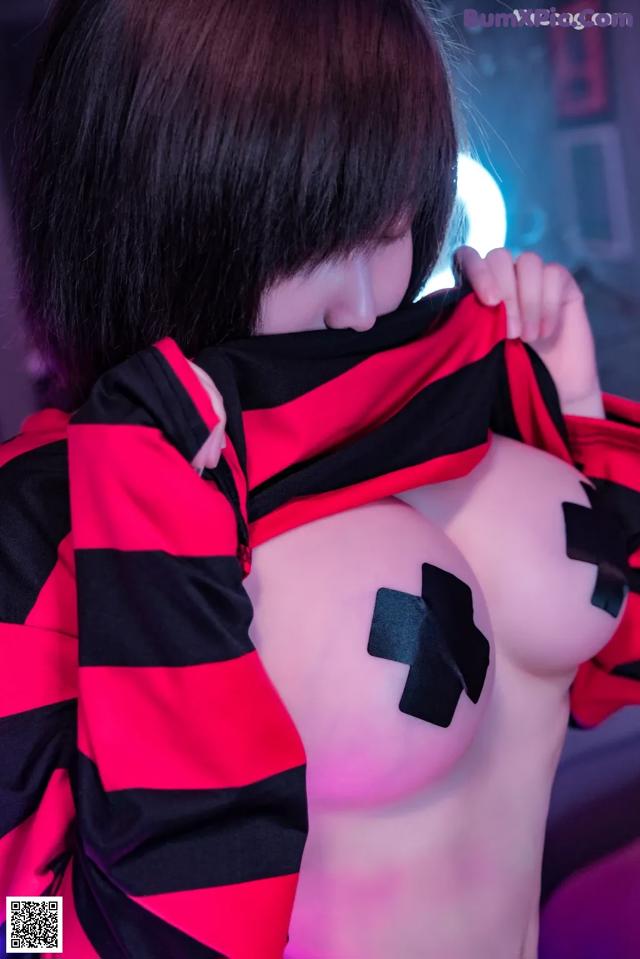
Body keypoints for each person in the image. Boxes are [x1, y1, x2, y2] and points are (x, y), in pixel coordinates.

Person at [1, 1, 639, 957]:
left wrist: (577, 412)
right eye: (305, 244)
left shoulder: (464, 387)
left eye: (389, 228)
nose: (367, 303)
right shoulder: (56, 509)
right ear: (161, 221)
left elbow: (605, 669)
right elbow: (22, 923)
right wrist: (151, 518)